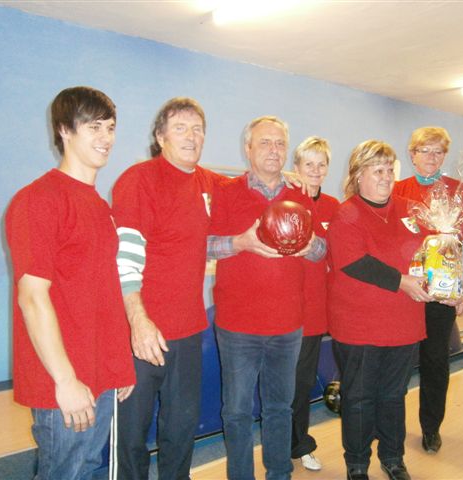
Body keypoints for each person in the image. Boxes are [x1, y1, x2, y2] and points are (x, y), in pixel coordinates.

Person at [5, 86, 135, 480]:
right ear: (64, 130)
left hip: (101, 372)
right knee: (67, 472)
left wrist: (118, 367)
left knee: (90, 469)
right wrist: (65, 381)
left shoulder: (99, 206)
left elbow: (103, 292)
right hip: (65, 379)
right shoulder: (38, 200)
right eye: (93, 127)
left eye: (110, 127)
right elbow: (32, 299)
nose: (106, 137)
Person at [207, 116, 326, 480]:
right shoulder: (227, 192)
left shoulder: (300, 195)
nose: (273, 150)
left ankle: (279, 474)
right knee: (237, 412)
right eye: (264, 142)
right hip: (237, 327)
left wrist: (309, 246)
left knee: (279, 408)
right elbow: (205, 245)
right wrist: (241, 242)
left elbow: (322, 250)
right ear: (248, 149)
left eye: (279, 143)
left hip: (287, 326)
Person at [112, 97, 223, 480]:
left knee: (181, 427)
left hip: (188, 332)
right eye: (180, 128)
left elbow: (250, 189)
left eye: (197, 129)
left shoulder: (208, 182)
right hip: (141, 332)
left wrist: (293, 183)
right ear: (161, 137)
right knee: (131, 434)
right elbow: (124, 258)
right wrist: (138, 322)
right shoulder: (138, 180)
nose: (191, 136)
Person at [327, 140, 431, 480]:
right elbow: (354, 262)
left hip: (404, 323)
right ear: (358, 175)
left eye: (389, 170)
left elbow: (431, 252)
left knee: (393, 396)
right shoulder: (347, 214)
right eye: (377, 170)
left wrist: (447, 278)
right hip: (360, 327)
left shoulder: (411, 210)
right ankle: (357, 464)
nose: (386, 177)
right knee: (359, 398)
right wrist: (402, 281)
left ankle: (393, 457)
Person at [394, 127, 463, 454]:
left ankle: (431, 428)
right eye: (425, 150)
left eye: (438, 152)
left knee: (435, 362)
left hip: (443, 293)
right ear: (412, 154)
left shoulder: (459, 191)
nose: (431, 157)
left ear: (445, 155)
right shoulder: (397, 190)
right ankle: (391, 428)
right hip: (406, 293)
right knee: (397, 363)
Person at [289, 136, 339, 472]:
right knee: (283, 383)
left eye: (321, 164)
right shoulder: (284, 199)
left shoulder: (334, 206)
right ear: (297, 167)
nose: (316, 170)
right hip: (284, 308)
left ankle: (299, 445)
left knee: (303, 382)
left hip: (315, 310)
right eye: (309, 164)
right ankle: (282, 446)